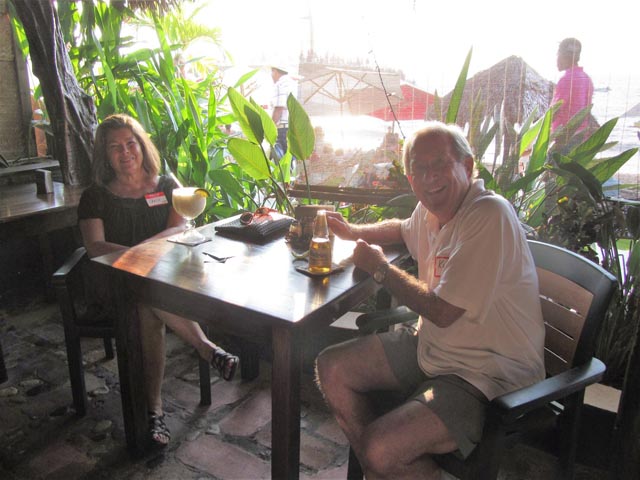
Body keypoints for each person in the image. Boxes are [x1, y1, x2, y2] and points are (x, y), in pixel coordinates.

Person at [315, 121, 546, 479]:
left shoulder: (488, 215)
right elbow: (402, 229)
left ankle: (381, 465)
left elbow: (442, 311)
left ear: (467, 166)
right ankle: (382, 471)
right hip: (432, 348)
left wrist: (381, 270)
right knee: (331, 367)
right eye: (419, 169)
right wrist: (352, 231)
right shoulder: (432, 211)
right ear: (410, 179)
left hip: (485, 374)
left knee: (379, 448)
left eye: (440, 163)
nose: (429, 176)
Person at [77, 114, 239, 447]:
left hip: (161, 277)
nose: (125, 152)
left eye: (130, 143)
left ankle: (154, 411)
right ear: (105, 155)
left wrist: (146, 255)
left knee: (149, 301)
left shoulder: (166, 186)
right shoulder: (95, 196)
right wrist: (138, 255)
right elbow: (95, 246)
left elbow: (179, 227)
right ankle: (206, 350)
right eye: (115, 147)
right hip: (114, 280)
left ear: (142, 145)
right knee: (146, 297)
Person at [551, 37, 594, 133]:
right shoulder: (587, 79)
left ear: (563, 57)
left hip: (562, 138)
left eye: (558, 55)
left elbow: (553, 113)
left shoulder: (566, 79)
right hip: (580, 136)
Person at [270, 65, 297, 160]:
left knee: (280, 161)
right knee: (290, 160)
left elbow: (279, 108)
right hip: (292, 127)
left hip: (282, 129)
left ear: (275, 71)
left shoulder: (280, 84)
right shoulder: (292, 83)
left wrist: (270, 128)